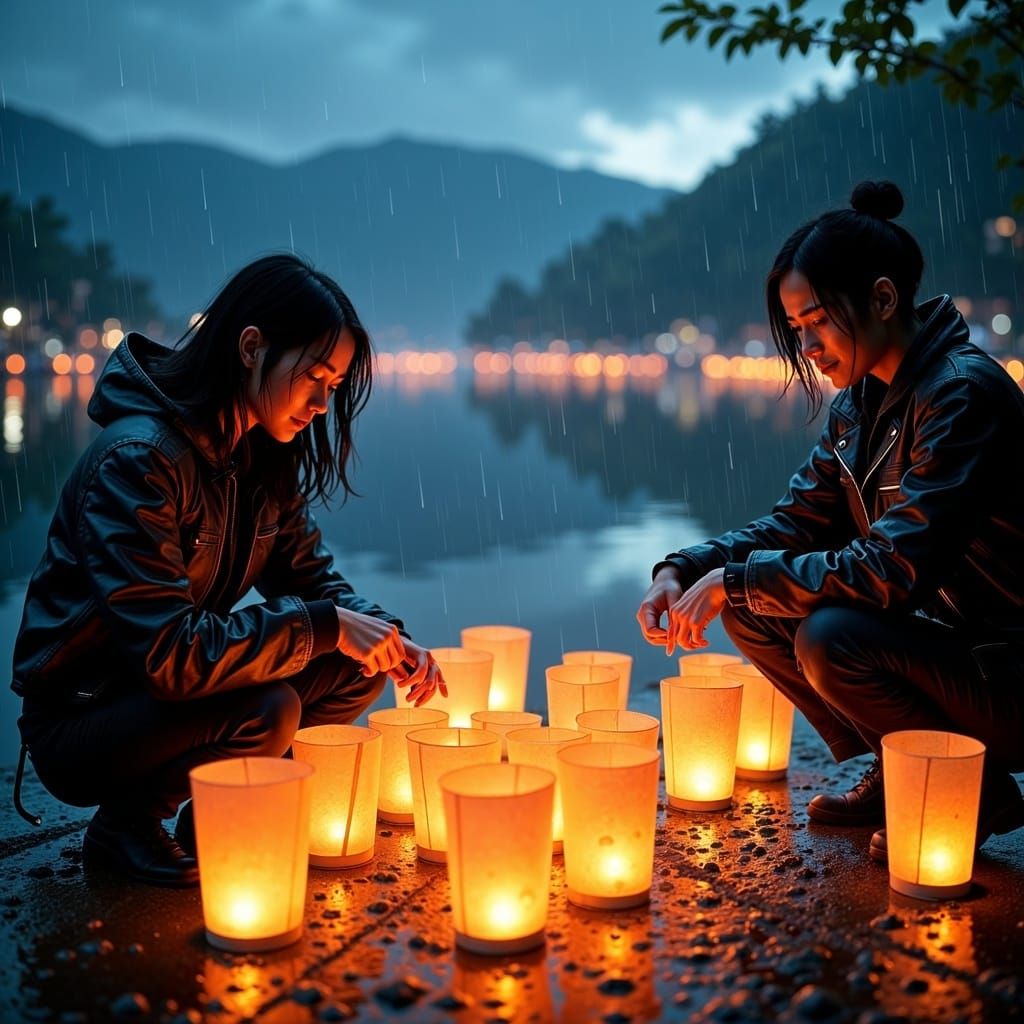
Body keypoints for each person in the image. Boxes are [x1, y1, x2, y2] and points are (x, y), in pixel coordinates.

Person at [12, 254, 445, 886]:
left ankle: (217, 809)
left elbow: (313, 581)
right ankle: (126, 827)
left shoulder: (259, 458)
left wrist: (385, 635)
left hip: (166, 695)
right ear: (251, 347)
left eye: (335, 384)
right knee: (269, 707)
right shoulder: (138, 462)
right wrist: (323, 624)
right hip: (86, 717)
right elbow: (169, 655)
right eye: (315, 377)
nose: (324, 403)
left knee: (358, 664)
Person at [637, 180, 1024, 862]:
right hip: (952, 652)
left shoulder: (962, 395)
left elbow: (895, 570)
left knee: (827, 633)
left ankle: (973, 784)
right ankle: (898, 761)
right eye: (796, 329)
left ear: (882, 298)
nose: (808, 345)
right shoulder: (859, 408)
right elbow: (791, 527)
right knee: (754, 606)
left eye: (817, 320)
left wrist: (740, 579)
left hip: (1009, 670)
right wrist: (683, 568)